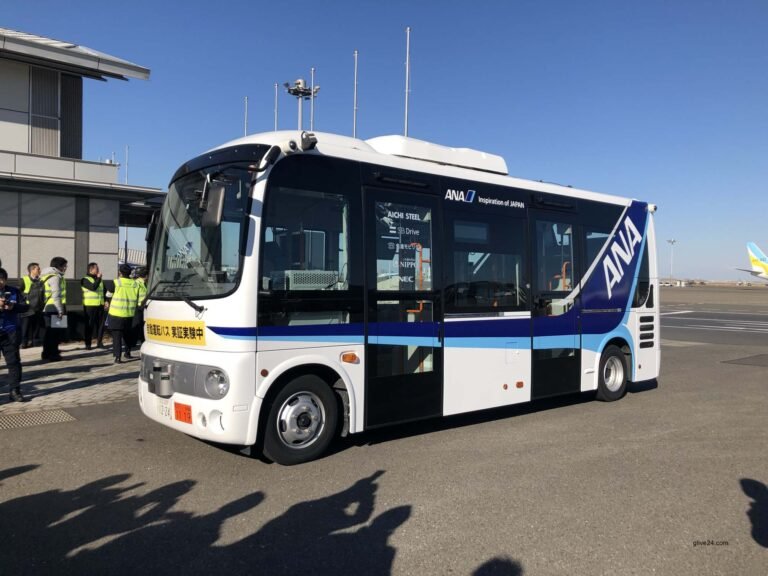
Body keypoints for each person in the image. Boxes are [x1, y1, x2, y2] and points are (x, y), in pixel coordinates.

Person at [0, 268, 29, 402]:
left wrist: (13, 307)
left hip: (11, 331)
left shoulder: (14, 291)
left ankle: (15, 390)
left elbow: (25, 306)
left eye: (3, 279)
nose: (1, 282)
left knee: (14, 363)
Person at [107, 264, 139, 364]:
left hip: (116, 314)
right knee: (128, 335)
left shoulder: (116, 282)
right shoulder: (135, 284)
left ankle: (117, 357)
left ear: (120, 272)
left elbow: (108, 295)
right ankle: (128, 353)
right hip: (129, 314)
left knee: (117, 337)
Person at [40, 256, 68, 362]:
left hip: (47, 307)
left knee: (49, 333)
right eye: (64, 266)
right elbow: (56, 295)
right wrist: (60, 310)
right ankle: (53, 354)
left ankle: (46, 353)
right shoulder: (55, 277)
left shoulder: (45, 276)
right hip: (54, 307)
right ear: (59, 266)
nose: (66, 268)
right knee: (55, 334)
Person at [81, 262, 106, 350]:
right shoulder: (85, 279)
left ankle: (99, 342)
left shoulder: (99, 280)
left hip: (100, 305)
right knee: (89, 325)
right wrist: (99, 278)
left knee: (101, 325)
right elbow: (93, 287)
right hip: (90, 305)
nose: (98, 270)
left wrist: (106, 301)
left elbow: (104, 291)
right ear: (91, 270)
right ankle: (88, 344)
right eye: (97, 269)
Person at [19, 262, 43, 348]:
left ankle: (32, 342)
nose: (40, 270)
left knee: (35, 326)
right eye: (38, 269)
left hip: (38, 307)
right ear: (32, 270)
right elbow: (19, 292)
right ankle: (23, 342)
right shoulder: (24, 279)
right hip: (27, 307)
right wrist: (24, 301)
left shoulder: (41, 281)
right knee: (25, 326)